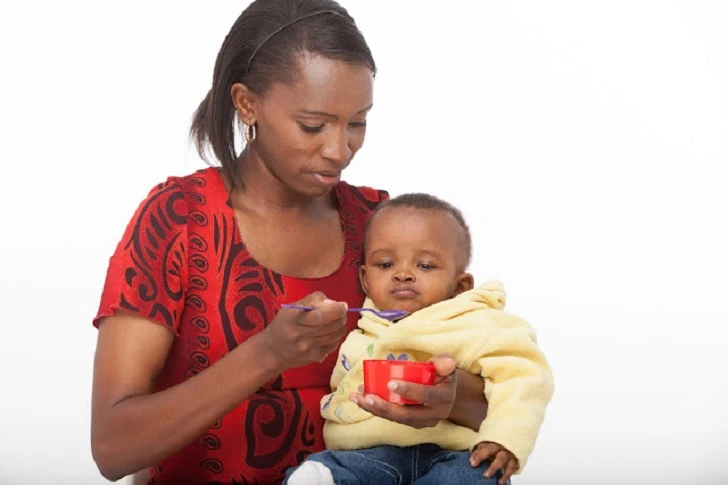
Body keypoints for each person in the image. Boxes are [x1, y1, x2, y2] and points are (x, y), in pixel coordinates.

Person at [90, 1, 489, 484]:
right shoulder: (180, 220)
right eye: (313, 125)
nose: (339, 150)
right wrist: (266, 354)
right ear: (247, 103)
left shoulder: (379, 229)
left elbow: (493, 387)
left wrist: (453, 397)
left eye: (357, 122)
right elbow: (112, 448)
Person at [286, 194, 554, 485]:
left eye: (425, 266)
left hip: (454, 454)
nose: (402, 274)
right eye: (386, 264)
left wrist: (505, 438)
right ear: (365, 279)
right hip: (370, 454)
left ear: (460, 285)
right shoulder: (363, 321)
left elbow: (524, 378)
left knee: (478, 475)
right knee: (326, 469)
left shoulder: (476, 322)